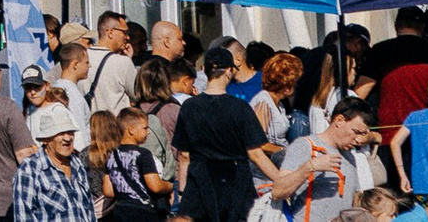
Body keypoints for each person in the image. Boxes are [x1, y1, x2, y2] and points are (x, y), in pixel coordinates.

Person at [173, 49, 273, 222]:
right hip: (235, 183)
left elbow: (184, 156)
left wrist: (182, 193)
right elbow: (256, 154)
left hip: (200, 184)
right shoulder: (240, 107)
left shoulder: (189, 107)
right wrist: (281, 178)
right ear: (229, 71)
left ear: (204, 70)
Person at [267, 101, 379, 220]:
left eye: (362, 134)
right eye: (356, 132)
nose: (359, 140)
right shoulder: (306, 145)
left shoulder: (350, 157)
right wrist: (310, 167)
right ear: (340, 120)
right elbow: (277, 192)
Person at [7, 111, 90, 222]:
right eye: (60, 132)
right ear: (45, 139)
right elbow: (24, 217)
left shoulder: (77, 164)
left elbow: (89, 211)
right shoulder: (29, 170)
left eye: (70, 132)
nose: (67, 138)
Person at [101, 111, 168, 222]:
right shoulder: (143, 154)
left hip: (121, 211)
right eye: (145, 128)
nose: (148, 133)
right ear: (131, 129)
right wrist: (170, 186)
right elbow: (155, 186)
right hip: (143, 212)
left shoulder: (111, 155)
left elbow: (108, 191)